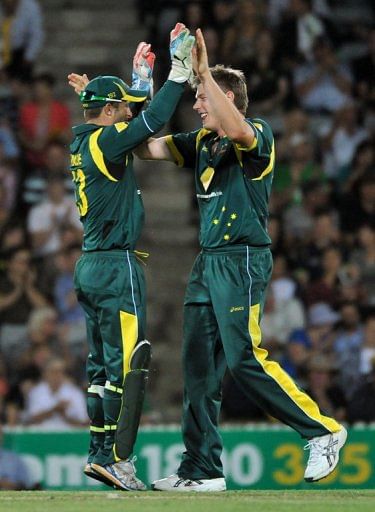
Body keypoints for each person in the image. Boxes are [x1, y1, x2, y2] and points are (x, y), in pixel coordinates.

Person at [69, 27, 347, 493]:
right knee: (197, 366)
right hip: (207, 262)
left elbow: (235, 126)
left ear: (228, 99)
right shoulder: (198, 143)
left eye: (202, 99)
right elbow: (143, 144)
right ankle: (202, 468)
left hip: (241, 258)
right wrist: (135, 91)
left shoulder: (255, 134)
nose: (197, 106)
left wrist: (200, 72)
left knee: (243, 359)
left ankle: (321, 431)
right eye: (198, 97)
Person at [68, 24, 195, 492]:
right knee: (129, 364)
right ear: (106, 112)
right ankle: (118, 461)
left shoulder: (85, 142)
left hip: (90, 265)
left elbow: (130, 115)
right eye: (120, 107)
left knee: (101, 369)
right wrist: (176, 75)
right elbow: (151, 120)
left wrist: (139, 81)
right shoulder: (107, 140)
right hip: (116, 266)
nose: (128, 113)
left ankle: (99, 453)